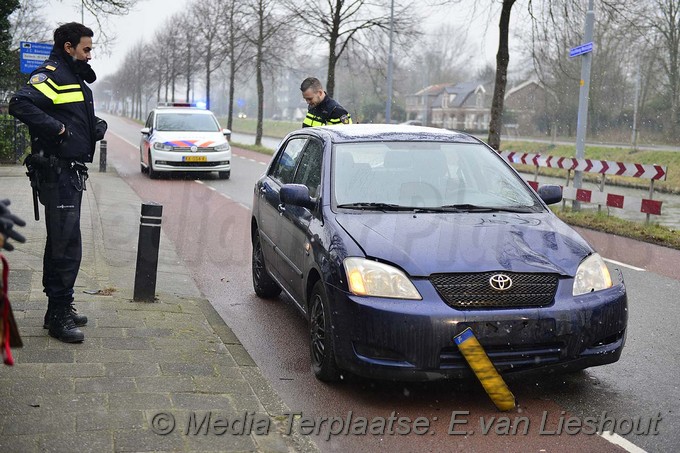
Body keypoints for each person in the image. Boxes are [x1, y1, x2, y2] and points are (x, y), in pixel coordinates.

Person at [9, 22, 107, 343]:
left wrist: (93, 126)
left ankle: (57, 307)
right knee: (67, 243)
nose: (90, 55)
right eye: (86, 49)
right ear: (69, 47)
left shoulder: (71, 75)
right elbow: (19, 103)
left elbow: (70, 113)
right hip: (58, 171)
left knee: (61, 240)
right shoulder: (51, 73)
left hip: (70, 171)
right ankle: (59, 315)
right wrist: (59, 131)